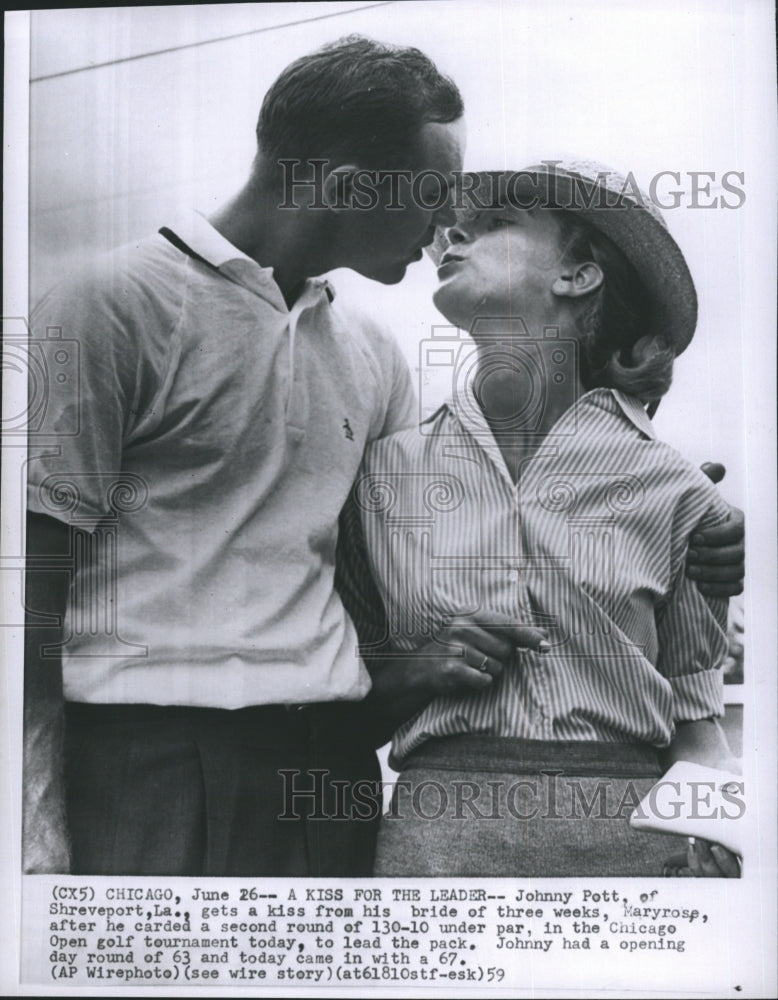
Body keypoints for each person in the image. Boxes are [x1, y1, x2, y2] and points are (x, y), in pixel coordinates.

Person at [24, 34, 741, 877]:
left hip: (342, 778)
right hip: (160, 762)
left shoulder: (373, 359)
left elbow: (695, 697)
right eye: (435, 196)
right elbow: (33, 586)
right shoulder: (110, 302)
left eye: (483, 218)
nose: (446, 227)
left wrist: (693, 529)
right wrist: (32, 822)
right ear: (345, 188)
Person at [336, 161, 743, 877]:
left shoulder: (681, 492)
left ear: (579, 276)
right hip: (435, 851)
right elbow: (342, 706)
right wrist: (412, 672)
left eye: (496, 224)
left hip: (634, 853)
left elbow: (696, 719)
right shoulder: (378, 473)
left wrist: (721, 843)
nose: (453, 234)